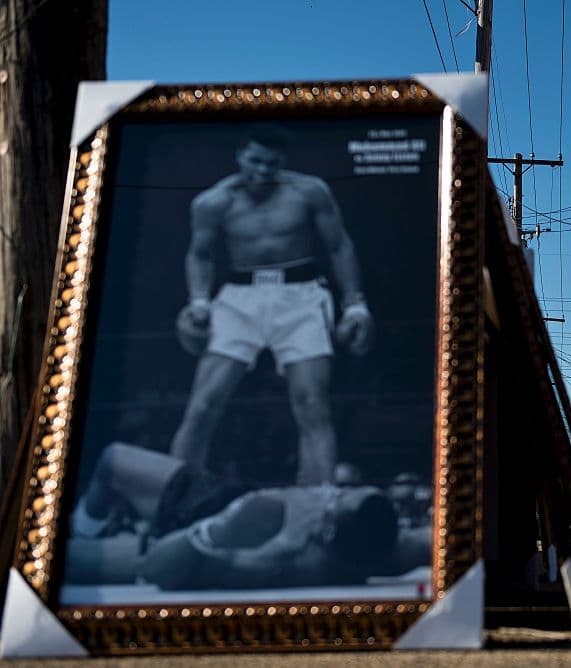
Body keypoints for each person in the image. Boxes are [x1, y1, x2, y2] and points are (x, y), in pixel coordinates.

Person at [172, 124, 374, 485]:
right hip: (238, 297)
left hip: (302, 295)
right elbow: (199, 255)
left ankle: (318, 505)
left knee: (312, 404)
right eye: (255, 161)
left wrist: (355, 303)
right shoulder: (212, 202)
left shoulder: (308, 191)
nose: (262, 171)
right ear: (240, 156)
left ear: (281, 161)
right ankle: (170, 501)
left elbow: (339, 246)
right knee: (203, 403)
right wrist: (198, 300)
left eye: (271, 163)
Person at [67, 442, 414, 590]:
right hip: (221, 497)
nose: (329, 489)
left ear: (325, 530)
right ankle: (89, 528)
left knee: (62, 561)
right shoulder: (389, 544)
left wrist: (222, 529)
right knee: (112, 460)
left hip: (190, 540)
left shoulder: (289, 558)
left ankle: (88, 535)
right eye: (341, 488)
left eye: (336, 497)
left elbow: (156, 567)